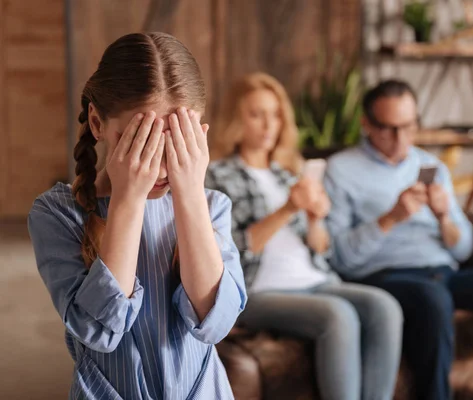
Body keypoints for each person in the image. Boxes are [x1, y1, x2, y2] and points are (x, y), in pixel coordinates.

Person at [28, 33, 246, 399]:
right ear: (97, 124)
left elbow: (214, 324)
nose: (159, 165)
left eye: (175, 142)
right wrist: (128, 197)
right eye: (141, 141)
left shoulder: (212, 207)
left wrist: (190, 193)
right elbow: (101, 331)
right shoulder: (57, 213)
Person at [324, 79, 473, 400]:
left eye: (408, 127)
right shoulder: (341, 170)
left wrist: (444, 217)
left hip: (444, 274)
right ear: (366, 124)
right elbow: (339, 258)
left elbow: (463, 247)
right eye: (388, 129)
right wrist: (390, 218)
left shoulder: (430, 165)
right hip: (385, 277)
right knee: (431, 298)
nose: (400, 140)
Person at [205, 72, 403, 400]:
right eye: (257, 115)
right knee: (338, 315)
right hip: (258, 289)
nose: (270, 125)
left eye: (276, 114)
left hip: (313, 279)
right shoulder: (217, 175)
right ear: (236, 120)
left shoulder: (288, 174)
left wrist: (315, 219)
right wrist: (286, 210)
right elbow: (229, 252)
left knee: (385, 307)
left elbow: (320, 249)